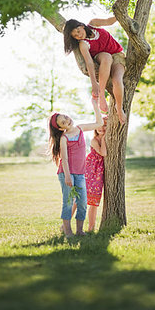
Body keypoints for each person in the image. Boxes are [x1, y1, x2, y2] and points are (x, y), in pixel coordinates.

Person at [48, 97, 104, 238]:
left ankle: (80, 230)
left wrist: (95, 105)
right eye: (63, 122)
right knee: (68, 201)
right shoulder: (64, 138)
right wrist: (67, 176)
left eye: (65, 117)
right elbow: (64, 159)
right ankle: (67, 231)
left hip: (80, 173)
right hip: (67, 173)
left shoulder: (80, 129)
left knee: (82, 202)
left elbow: (99, 123)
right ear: (61, 128)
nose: (67, 120)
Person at [63, 16, 126, 123]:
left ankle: (119, 108)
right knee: (106, 57)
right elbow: (89, 63)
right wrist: (94, 84)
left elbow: (109, 21)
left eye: (78, 31)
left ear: (82, 26)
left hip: (117, 55)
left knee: (117, 79)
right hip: (101, 58)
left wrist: (121, 14)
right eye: (75, 36)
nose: (79, 35)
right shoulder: (83, 44)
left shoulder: (93, 24)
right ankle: (102, 95)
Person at [85, 121, 107, 231]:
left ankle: (91, 227)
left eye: (105, 125)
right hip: (92, 171)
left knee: (94, 201)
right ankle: (90, 227)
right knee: (84, 199)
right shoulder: (94, 140)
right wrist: (103, 139)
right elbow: (103, 153)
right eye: (100, 125)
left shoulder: (109, 137)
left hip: (99, 171)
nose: (102, 128)